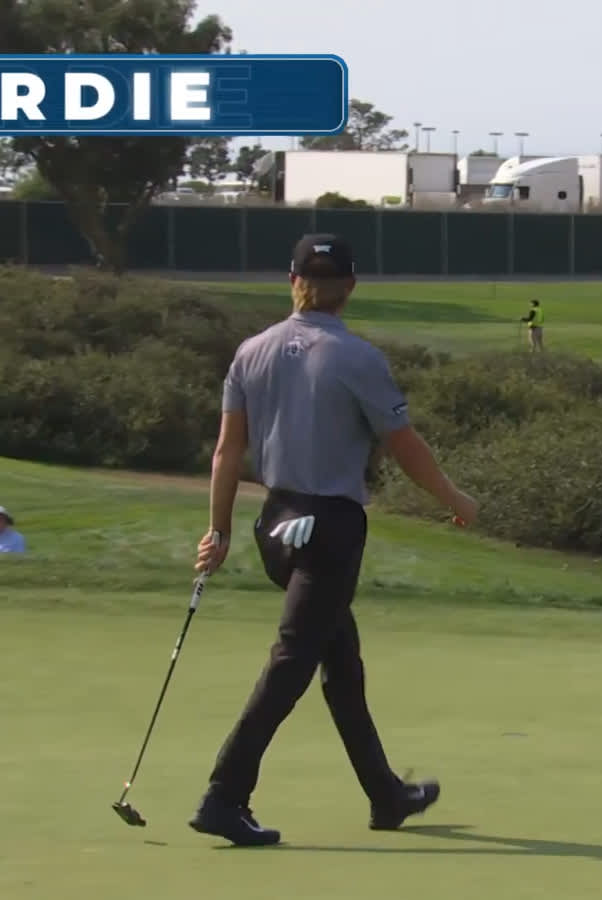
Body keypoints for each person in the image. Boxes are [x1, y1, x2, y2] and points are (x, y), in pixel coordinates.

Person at [189, 233, 479, 847]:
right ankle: (224, 795)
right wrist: (455, 500)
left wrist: (217, 531)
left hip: (275, 527)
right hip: (330, 528)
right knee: (294, 660)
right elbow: (405, 446)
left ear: (292, 280)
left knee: (340, 662)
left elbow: (226, 452)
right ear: (350, 287)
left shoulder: (251, 352)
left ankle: (386, 795)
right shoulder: (358, 358)